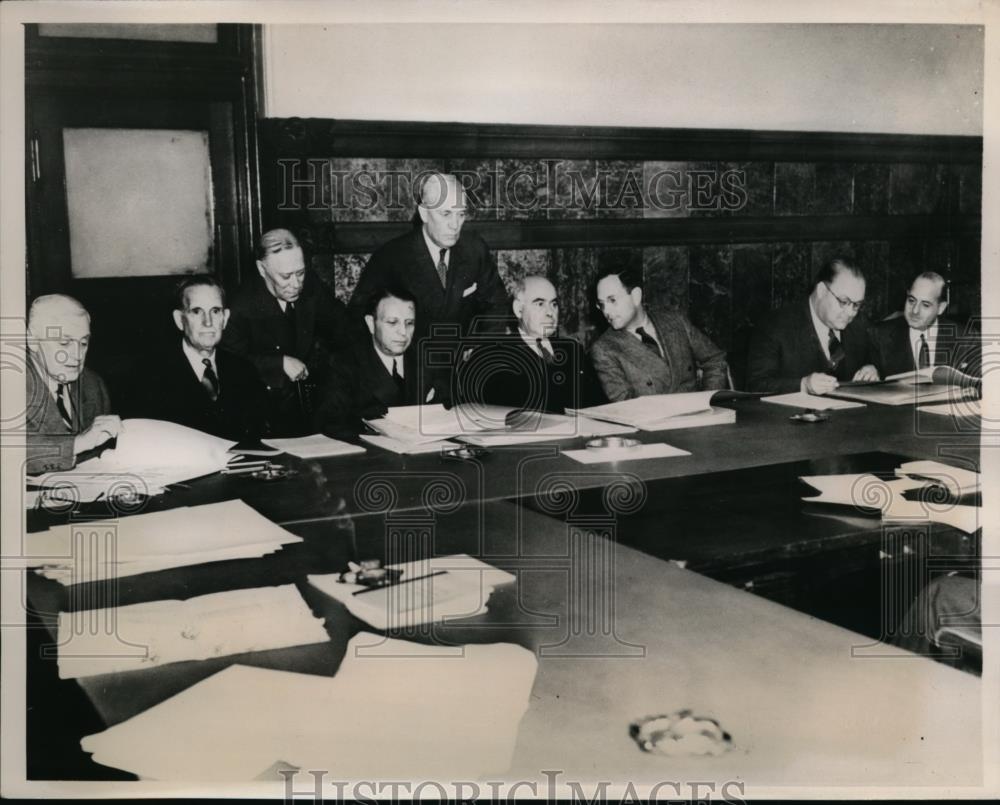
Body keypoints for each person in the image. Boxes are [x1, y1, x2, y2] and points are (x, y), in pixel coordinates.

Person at [348, 172, 509, 345]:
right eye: (446, 214)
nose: (455, 225)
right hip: (413, 366)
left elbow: (497, 304)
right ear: (424, 214)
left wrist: (480, 349)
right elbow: (357, 321)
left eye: (461, 214)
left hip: (465, 364)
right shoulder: (390, 258)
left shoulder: (474, 249)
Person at [222, 228, 352, 436]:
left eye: (300, 273)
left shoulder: (311, 286)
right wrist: (277, 363)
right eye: (285, 276)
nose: (295, 285)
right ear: (262, 269)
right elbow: (228, 363)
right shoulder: (239, 306)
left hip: (308, 406)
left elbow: (345, 328)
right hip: (262, 416)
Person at [139, 276, 267, 440]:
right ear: (180, 320)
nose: (208, 322)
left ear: (225, 318)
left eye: (215, 311)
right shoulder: (151, 376)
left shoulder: (245, 371)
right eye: (197, 311)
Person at [313, 286, 447, 436]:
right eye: (392, 322)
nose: (403, 332)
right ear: (371, 324)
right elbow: (330, 424)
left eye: (409, 323)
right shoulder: (343, 365)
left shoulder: (427, 359)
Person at [457, 275, 597, 413]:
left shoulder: (572, 349)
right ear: (519, 309)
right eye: (540, 304)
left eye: (554, 304)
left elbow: (598, 405)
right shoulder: (495, 355)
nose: (550, 312)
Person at [589, 266, 729, 401]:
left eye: (612, 300)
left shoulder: (675, 322)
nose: (606, 311)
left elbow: (715, 359)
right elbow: (625, 406)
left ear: (636, 296)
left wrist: (707, 401)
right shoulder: (605, 349)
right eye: (601, 304)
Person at [746, 258, 879, 394]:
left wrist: (871, 369)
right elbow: (756, 385)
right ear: (821, 290)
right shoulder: (775, 325)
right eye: (844, 302)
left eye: (857, 305)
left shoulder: (860, 325)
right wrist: (803, 385)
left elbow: (878, 363)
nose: (851, 312)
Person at [24, 294, 120, 473]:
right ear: (33, 341)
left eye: (83, 343)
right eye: (64, 343)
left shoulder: (92, 385)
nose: (77, 355)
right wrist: (77, 444)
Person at [870, 271, 981, 379]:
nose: (915, 310)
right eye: (911, 300)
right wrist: (870, 368)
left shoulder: (966, 339)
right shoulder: (880, 335)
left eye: (925, 305)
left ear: (941, 308)